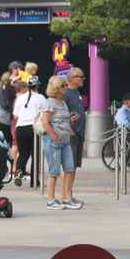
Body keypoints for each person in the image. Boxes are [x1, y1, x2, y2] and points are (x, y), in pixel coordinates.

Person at [41, 76, 81, 210]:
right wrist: (53, 137)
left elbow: (62, 121)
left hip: (65, 141)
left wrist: (71, 120)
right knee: (54, 172)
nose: (65, 88)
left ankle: (67, 197)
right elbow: (45, 122)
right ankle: (51, 199)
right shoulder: (49, 103)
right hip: (53, 141)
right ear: (56, 88)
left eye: (65, 85)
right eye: (62, 86)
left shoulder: (63, 103)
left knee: (69, 169)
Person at [12, 76, 46, 186]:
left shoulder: (20, 98)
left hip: (21, 127)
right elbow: (44, 113)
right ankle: (34, 180)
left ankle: (19, 170)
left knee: (23, 153)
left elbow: (15, 115)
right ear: (36, 86)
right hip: (33, 127)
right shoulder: (41, 98)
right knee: (35, 154)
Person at [61, 67, 86, 205]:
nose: (83, 79)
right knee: (68, 166)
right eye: (81, 77)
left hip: (78, 134)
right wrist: (70, 130)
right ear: (72, 78)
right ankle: (64, 195)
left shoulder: (77, 93)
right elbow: (62, 113)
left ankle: (69, 194)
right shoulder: (67, 93)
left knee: (74, 166)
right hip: (71, 135)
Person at [0, 72, 13, 146]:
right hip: (3, 122)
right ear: (5, 81)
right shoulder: (0, 92)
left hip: (12, 122)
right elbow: (4, 105)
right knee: (3, 144)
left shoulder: (12, 92)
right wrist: (13, 101)